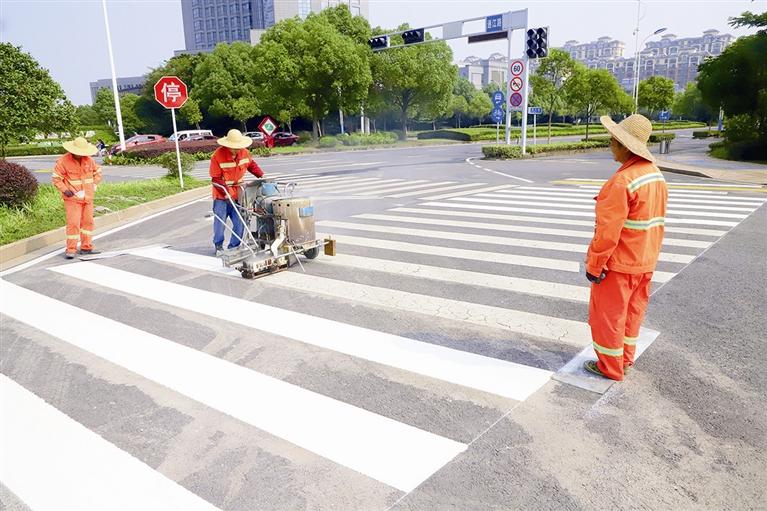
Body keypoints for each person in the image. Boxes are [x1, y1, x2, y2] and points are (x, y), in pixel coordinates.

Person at [583, 114, 668, 381]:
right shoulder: (655, 176)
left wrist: (594, 265)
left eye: (614, 140)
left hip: (618, 265)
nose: (610, 144)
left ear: (625, 147)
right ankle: (625, 359)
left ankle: (610, 367)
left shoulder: (622, 181)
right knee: (632, 313)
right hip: (645, 262)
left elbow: (607, 233)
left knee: (608, 317)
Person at [209, 129, 264, 255]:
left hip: (238, 193)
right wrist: (226, 193)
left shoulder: (245, 153)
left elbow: (251, 165)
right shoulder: (217, 156)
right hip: (221, 196)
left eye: (238, 147)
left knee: (241, 221)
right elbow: (215, 178)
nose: (237, 150)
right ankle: (218, 246)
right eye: (234, 148)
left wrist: (260, 175)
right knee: (220, 222)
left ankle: (234, 246)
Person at [51, 137, 103, 259]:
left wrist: (94, 183)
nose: (81, 155)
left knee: (88, 222)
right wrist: (66, 191)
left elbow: (98, 172)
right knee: (73, 223)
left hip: (88, 197)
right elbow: (56, 179)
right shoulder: (63, 161)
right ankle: (71, 249)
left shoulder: (88, 160)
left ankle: (86, 247)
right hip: (72, 199)